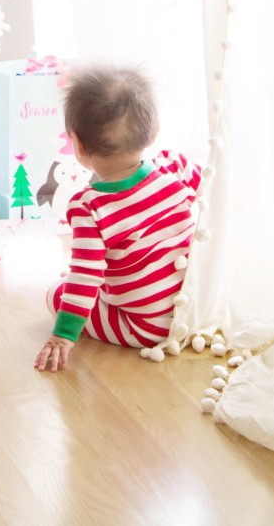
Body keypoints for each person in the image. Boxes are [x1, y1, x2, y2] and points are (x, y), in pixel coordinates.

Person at [34, 66, 201, 372]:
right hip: (193, 309)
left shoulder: (90, 208)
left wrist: (63, 335)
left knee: (58, 293)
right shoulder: (174, 166)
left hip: (144, 328)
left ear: (78, 145)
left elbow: (85, 277)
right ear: (153, 131)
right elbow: (215, 195)